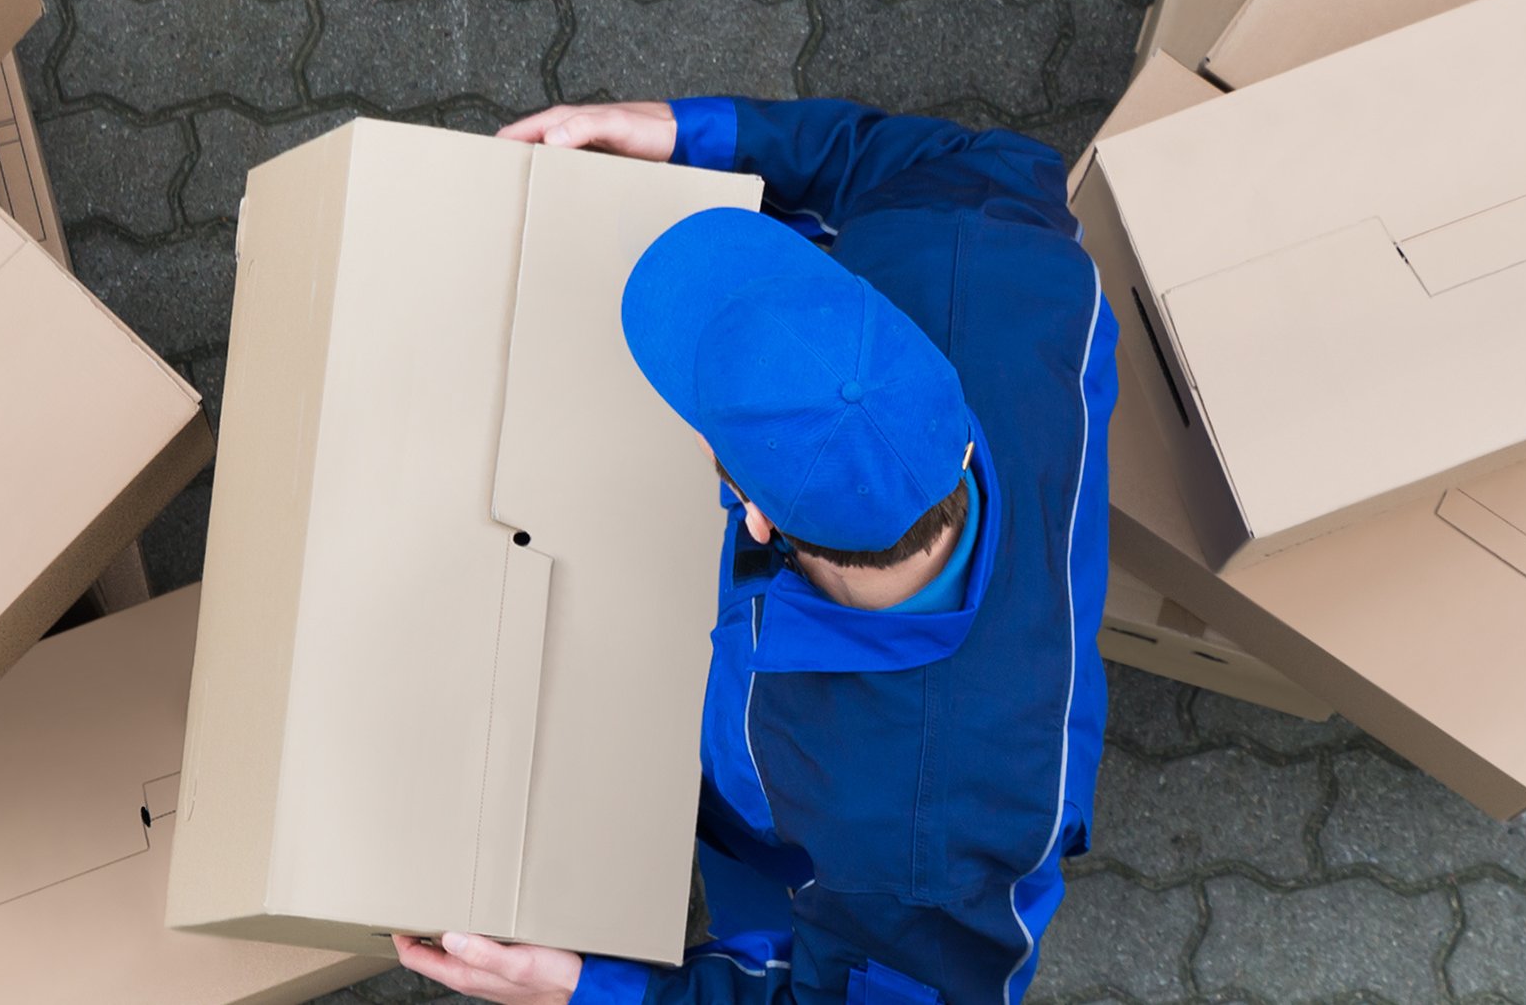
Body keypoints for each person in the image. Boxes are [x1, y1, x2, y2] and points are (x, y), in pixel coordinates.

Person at [384, 95, 1112, 1005]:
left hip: (805, 841)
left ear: (752, 517)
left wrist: (593, 992)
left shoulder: (919, 843)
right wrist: (694, 134)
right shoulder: (988, 252)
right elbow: (938, 154)